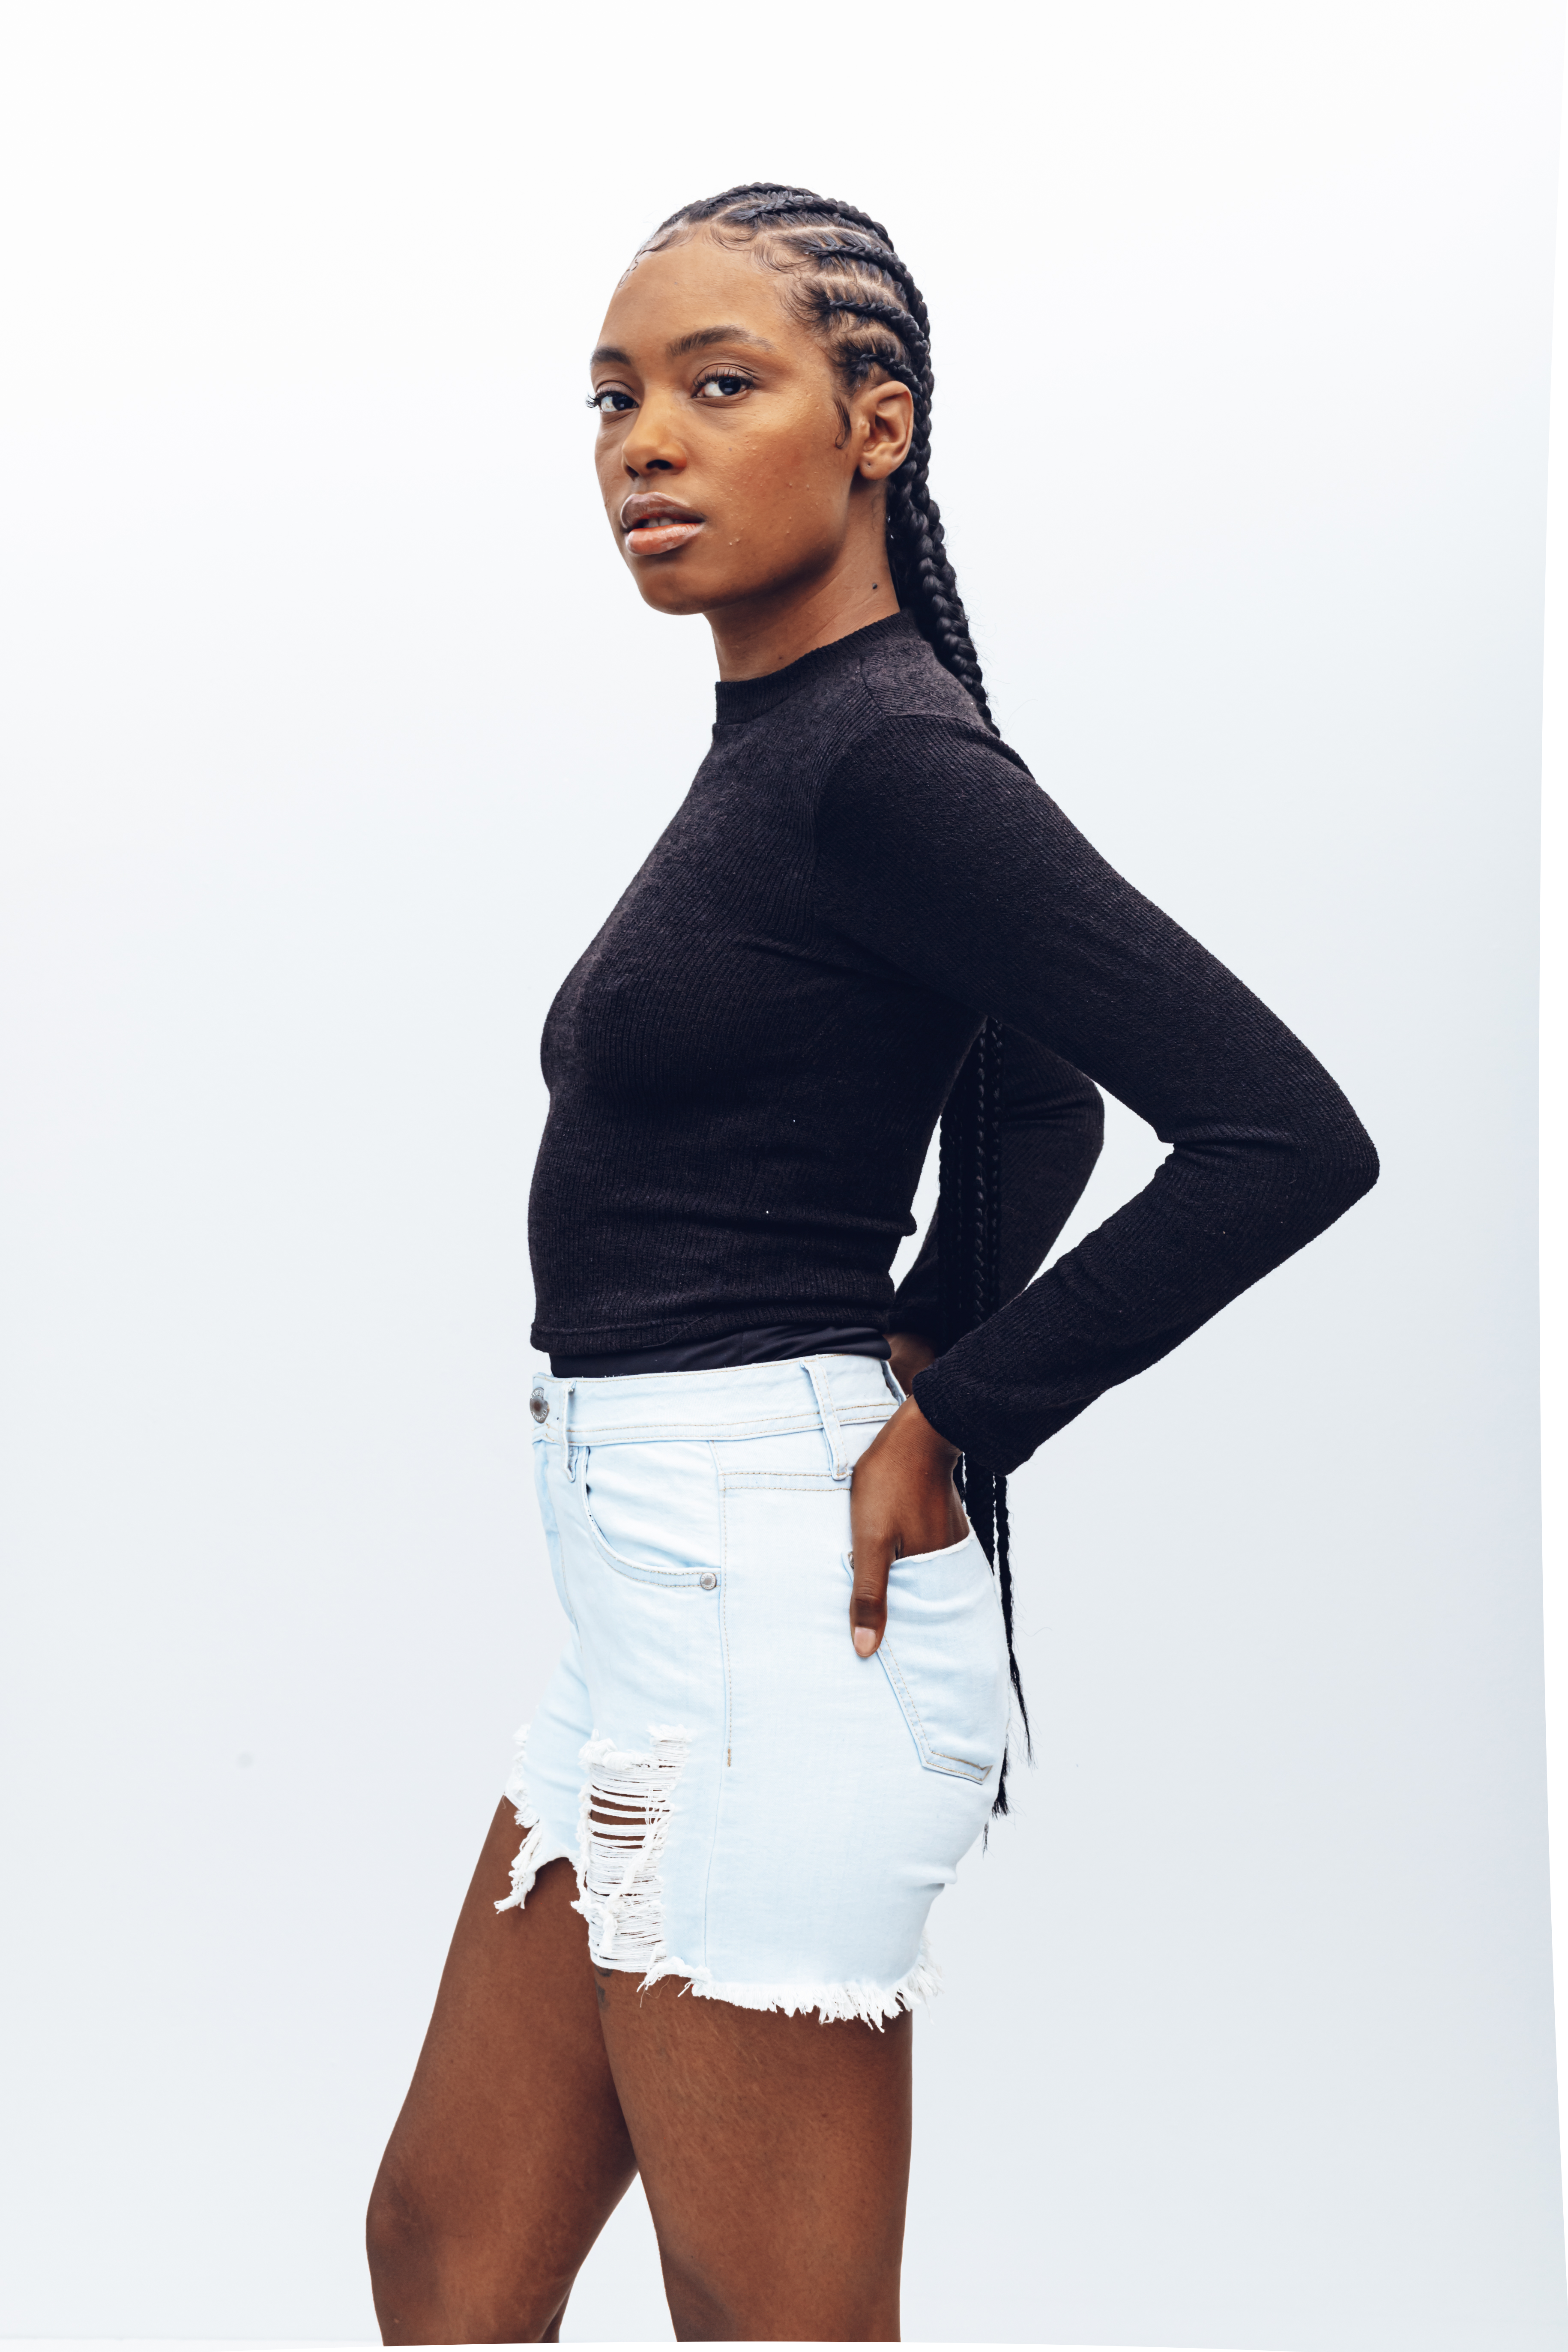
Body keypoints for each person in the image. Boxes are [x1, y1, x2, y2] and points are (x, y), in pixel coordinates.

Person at [364, 183, 1378, 2345]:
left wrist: (957, 1411)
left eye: (721, 384)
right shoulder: (794, 745)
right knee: (448, 2255)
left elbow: (1284, 1135)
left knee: (773, 2314)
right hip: (651, 1595)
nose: (647, 442)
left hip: (769, 1600)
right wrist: (932, 1318)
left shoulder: (887, 761)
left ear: (876, 427)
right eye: (614, 399)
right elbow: (1037, 1089)